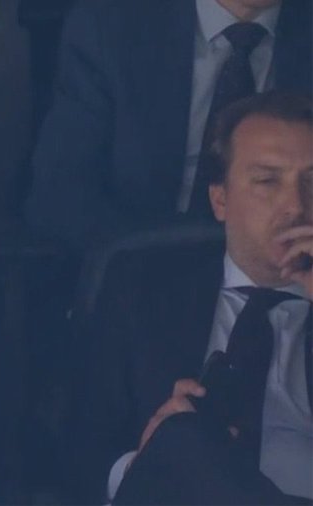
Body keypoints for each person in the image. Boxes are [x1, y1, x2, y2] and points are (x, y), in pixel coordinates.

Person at [71, 92, 313, 504]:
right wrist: (148, 460)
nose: (296, 205)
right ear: (220, 200)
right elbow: (77, 449)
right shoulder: (140, 293)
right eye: (267, 181)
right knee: (183, 436)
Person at [26, 0, 311, 253]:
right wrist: (151, 261)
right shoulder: (112, 26)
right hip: (141, 260)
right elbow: (61, 191)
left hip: (287, 270)